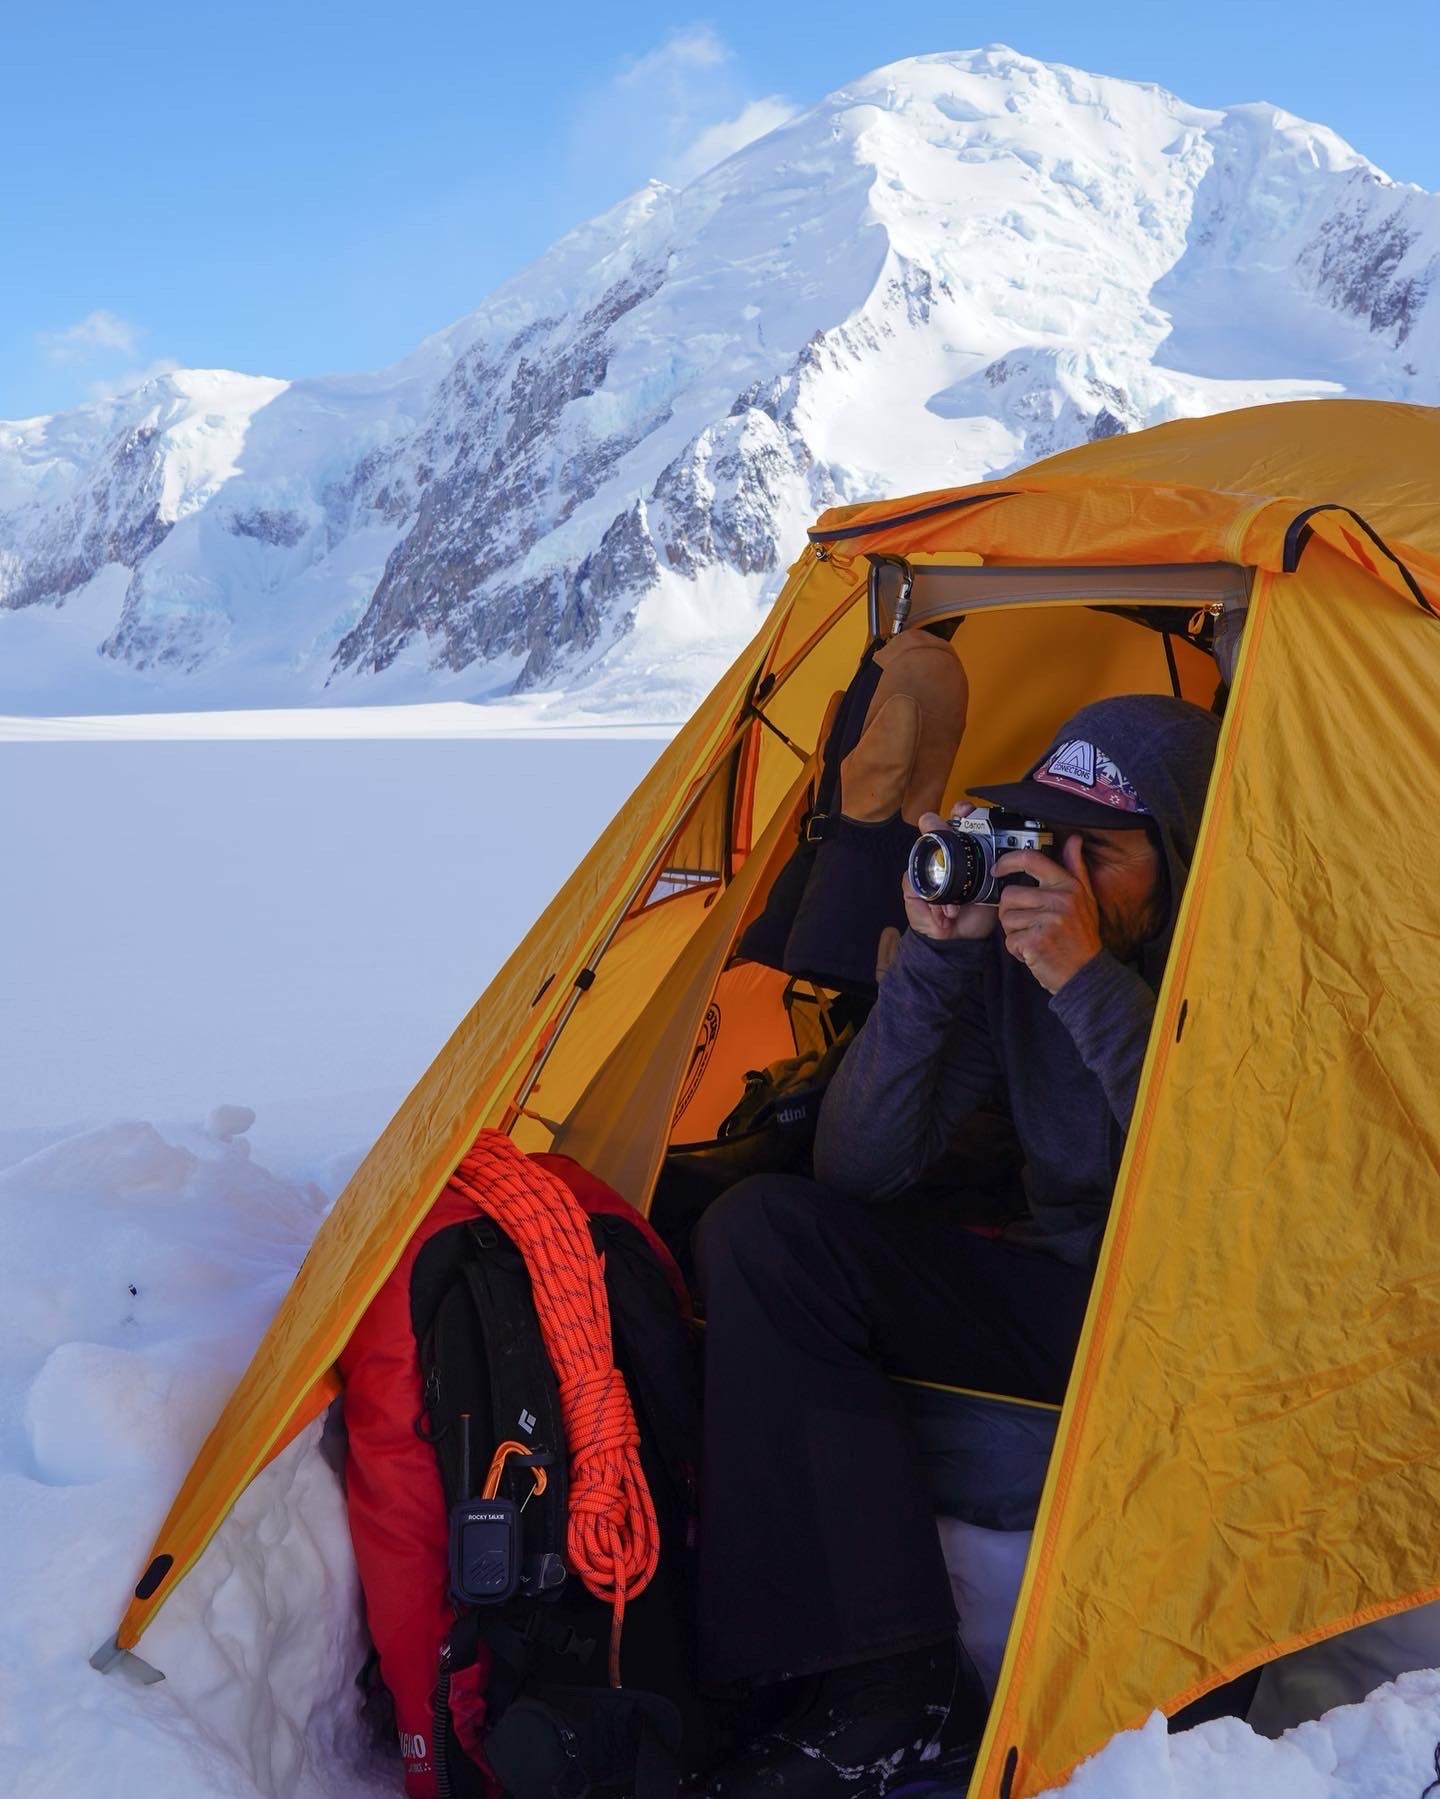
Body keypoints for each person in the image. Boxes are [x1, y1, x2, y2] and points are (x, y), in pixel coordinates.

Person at [694, 693, 1222, 1796]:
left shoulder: (1243, 962)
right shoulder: (1019, 961)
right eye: (1043, 841)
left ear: (1183, 858)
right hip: (1068, 1292)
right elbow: (858, 1167)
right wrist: (937, 962)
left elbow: (1234, 1183)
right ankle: (885, 1680)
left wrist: (1090, 984)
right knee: (765, 1231)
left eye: (1103, 854)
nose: (1060, 878)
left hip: (1199, 1317)